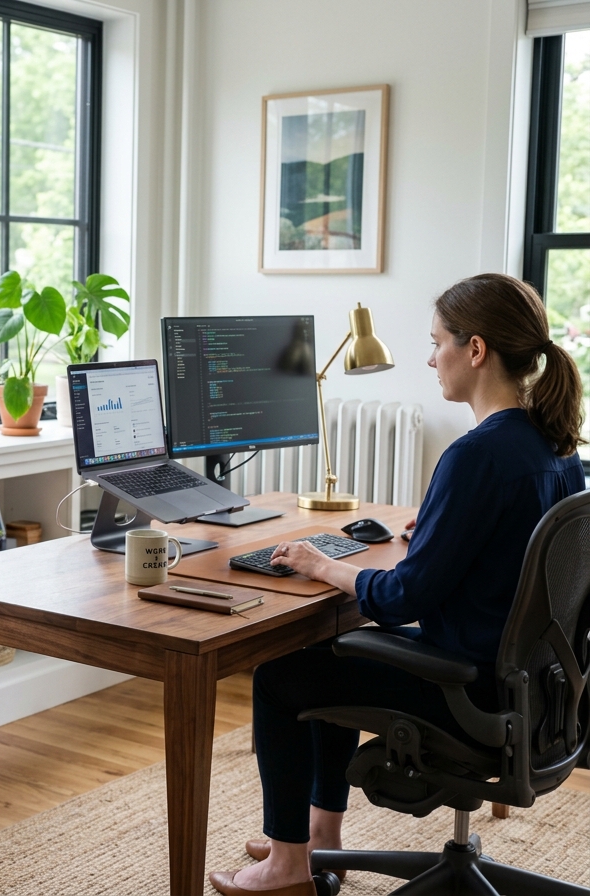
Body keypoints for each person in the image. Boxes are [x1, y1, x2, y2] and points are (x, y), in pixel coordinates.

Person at [208, 273, 586, 896]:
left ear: (475, 349)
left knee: (280, 676)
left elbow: (401, 598)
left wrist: (320, 563)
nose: (431, 358)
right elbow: (516, 552)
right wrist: (438, 532)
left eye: (437, 343)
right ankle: (319, 838)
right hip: (532, 692)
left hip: (467, 690)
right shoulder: (557, 446)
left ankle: (287, 867)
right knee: (326, 656)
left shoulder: (475, 455)